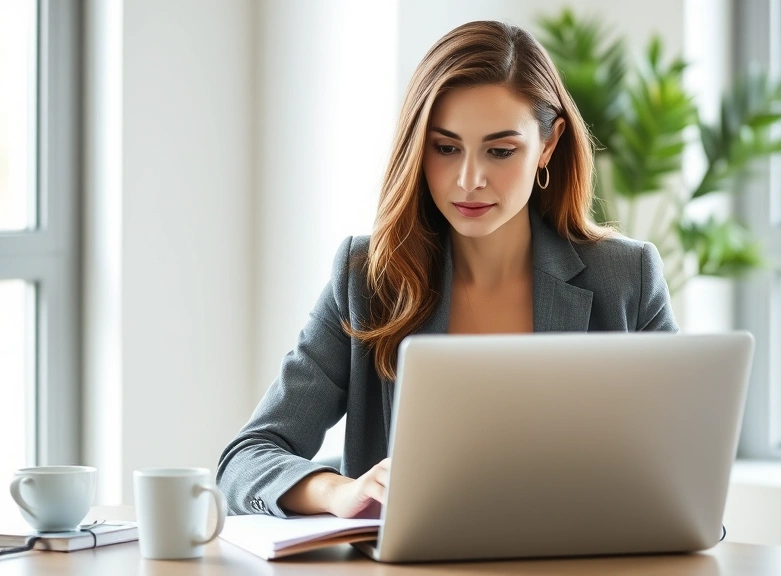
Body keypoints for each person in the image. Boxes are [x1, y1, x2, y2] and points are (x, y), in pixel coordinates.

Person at [216, 20, 678, 520]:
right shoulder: (369, 278)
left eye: (500, 151)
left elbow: (682, 472)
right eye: (446, 147)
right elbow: (246, 460)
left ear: (548, 144)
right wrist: (341, 492)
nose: (469, 179)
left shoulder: (626, 277)